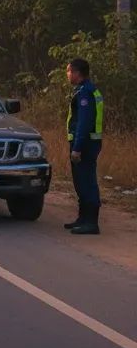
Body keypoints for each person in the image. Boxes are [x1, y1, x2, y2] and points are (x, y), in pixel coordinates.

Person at [65, 57, 103, 235]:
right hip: (89, 143)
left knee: (87, 181)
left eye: (69, 71)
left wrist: (77, 148)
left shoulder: (85, 93)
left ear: (77, 73)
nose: (68, 74)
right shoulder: (87, 89)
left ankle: (91, 222)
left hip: (85, 144)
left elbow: (84, 123)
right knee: (80, 181)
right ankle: (82, 218)